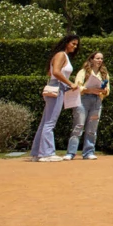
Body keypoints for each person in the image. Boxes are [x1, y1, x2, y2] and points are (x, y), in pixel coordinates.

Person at [30, 34, 80, 162]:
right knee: (50, 122)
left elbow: (51, 72)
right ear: (66, 42)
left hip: (56, 87)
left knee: (45, 121)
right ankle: (47, 153)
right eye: (73, 43)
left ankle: (37, 153)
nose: (75, 46)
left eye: (76, 44)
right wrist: (70, 83)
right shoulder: (61, 55)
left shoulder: (61, 55)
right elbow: (56, 72)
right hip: (57, 89)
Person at [64, 51, 110, 161]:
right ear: (92, 59)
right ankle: (71, 153)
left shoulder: (104, 73)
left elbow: (108, 90)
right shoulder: (83, 72)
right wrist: (88, 89)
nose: (100, 60)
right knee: (78, 126)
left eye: (101, 58)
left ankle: (89, 152)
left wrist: (103, 90)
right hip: (83, 100)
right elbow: (77, 86)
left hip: (97, 101)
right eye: (97, 58)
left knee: (92, 128)